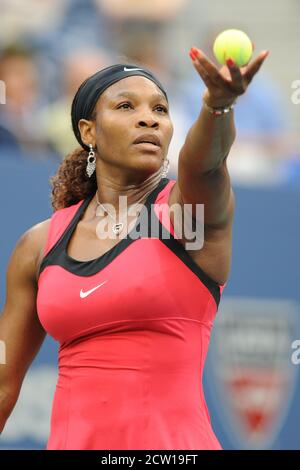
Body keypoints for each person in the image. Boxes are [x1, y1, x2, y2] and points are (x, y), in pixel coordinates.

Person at [0, 48, 269, 449]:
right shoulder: (39, 244)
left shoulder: (187, 217)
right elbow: (4, 378)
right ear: (89, 132)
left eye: (160, 109)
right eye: (126, 106)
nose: (149, 118)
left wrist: (218, 105)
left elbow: (206, 164)